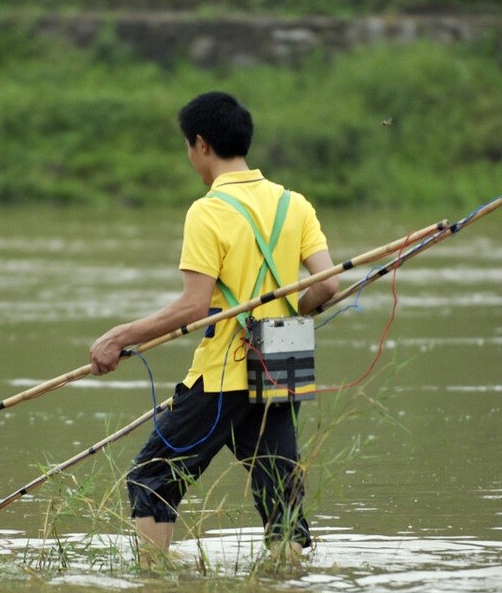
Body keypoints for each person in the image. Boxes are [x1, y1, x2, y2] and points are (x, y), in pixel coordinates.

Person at [89, 91, 338, 563]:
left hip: (225, 370)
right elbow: (327, 285)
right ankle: (289, 591)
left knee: (152, 478)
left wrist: (119, 337)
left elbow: (193, 306)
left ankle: (155, 585)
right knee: (281, 497)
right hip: (282, 362)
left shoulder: (207, 210)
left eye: (188, 146)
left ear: (201, 144)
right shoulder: (294, 204)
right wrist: (288, 315)